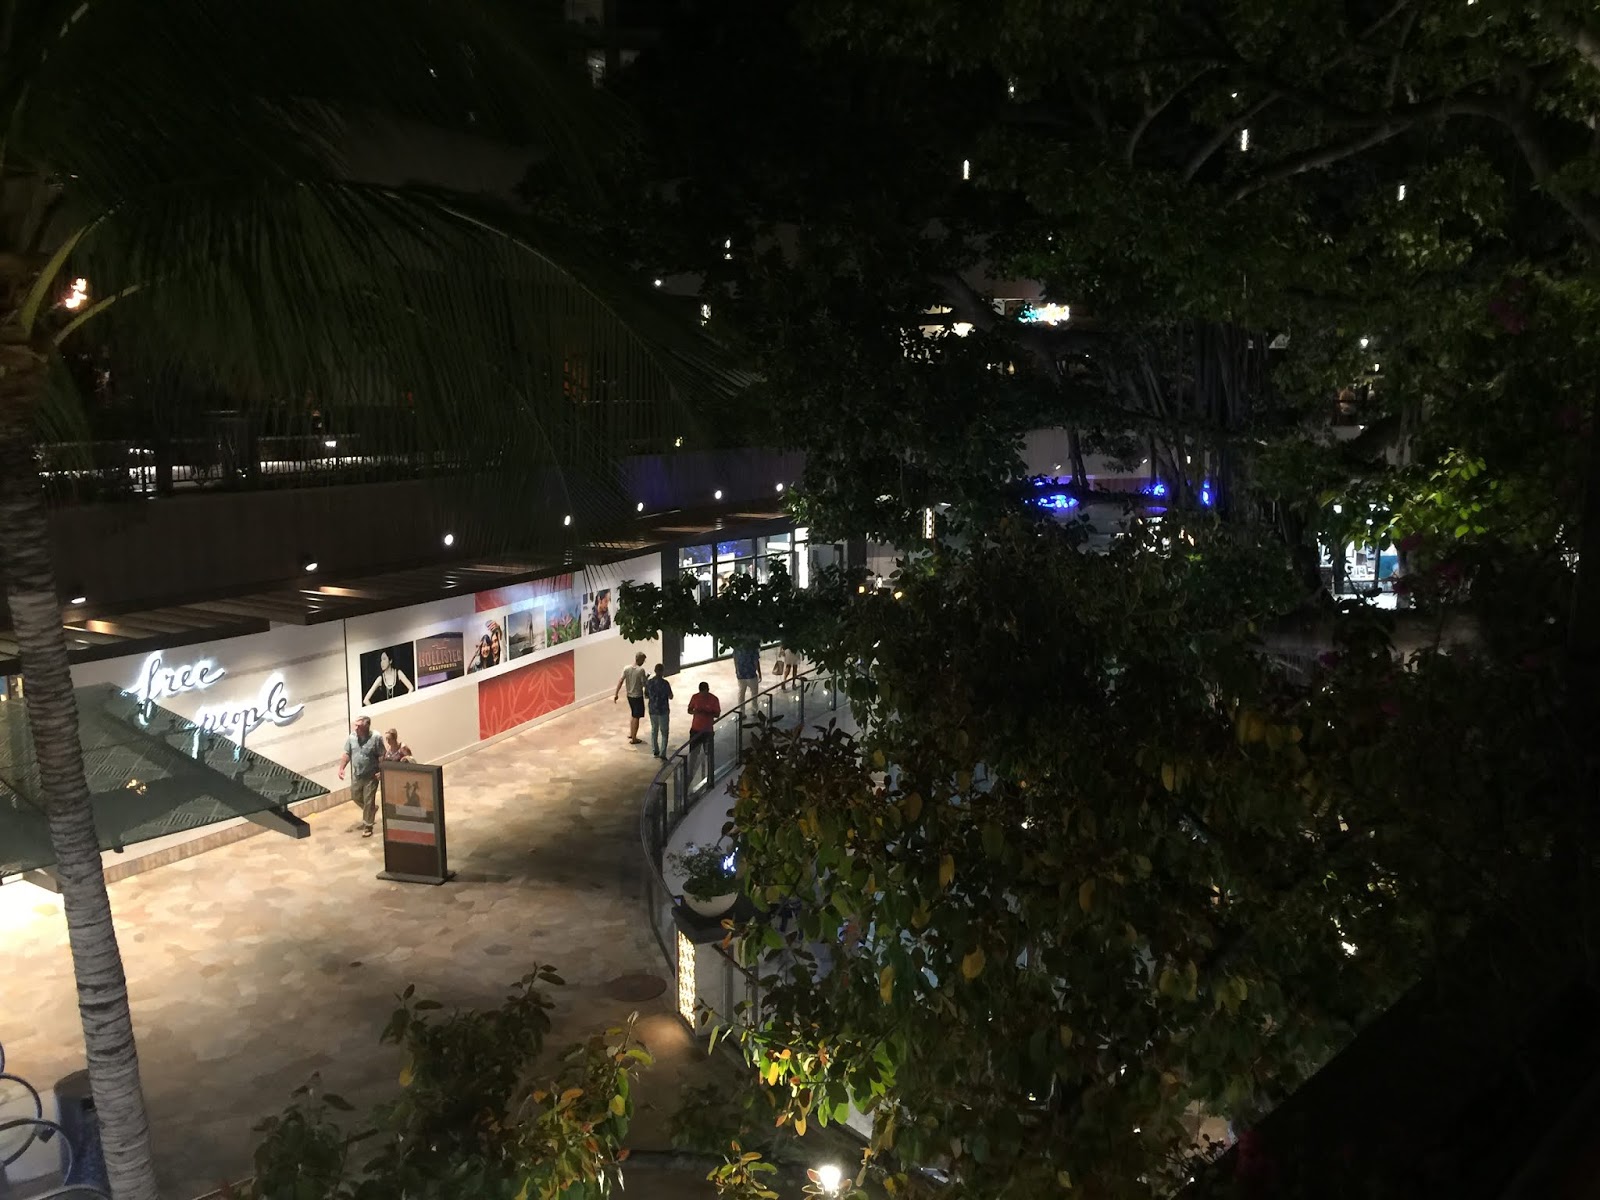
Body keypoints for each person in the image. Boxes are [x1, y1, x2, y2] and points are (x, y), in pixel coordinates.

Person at [337, 715, 384, 837]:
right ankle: (371, 810)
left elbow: (381, 755)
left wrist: (382, 771)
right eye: (355, 726)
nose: (356, 728)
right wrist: (341, 768)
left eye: (358, 726)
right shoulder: (352, 737)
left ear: (366, 726)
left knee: (368, 800)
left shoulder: (376, 738)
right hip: (357, 774)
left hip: (371, 776)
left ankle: (368, 825)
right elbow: (347, 753)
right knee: (355, 796)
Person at [687, 681, 722, 786]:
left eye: (705, 692)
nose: (703, 695)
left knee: (709, 753)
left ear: (708, 690)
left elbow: (717, 714)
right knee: (693, 754)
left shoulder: (714, 699)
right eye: (702, 692)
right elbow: (689, 710)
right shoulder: (695, 697)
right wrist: (696, 712)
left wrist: (706, 713)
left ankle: (710, 774)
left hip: (707, 731)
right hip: (695, 729)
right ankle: (690, 775)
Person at [613, 651, 649, 744]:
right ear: (640, 659)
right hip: (637, 696)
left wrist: (616, 693)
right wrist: (647, 678)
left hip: (629, 695)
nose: (643, 662)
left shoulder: (626, 668)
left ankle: (632, 733)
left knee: (633, 714)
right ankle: (634, 738)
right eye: (643, 660)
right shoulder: (641, 670)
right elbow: (644, 683)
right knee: (636, 716)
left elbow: (621, 681)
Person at [644, 663, 674, 758]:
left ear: (655, 671)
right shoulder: (665, 683)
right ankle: (663, 753)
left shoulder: (649, 682)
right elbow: (671, 696)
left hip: (653, 709)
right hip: (663, 710)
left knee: (654, 729)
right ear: (662, 671)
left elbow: (646, 695)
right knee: (664, 732)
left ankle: (655, 750)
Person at [732, 640, 762, 707]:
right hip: (751, 674)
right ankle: (754, 709)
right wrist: (759, 673)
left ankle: (741, 710)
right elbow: (756, 662)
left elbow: (735, 659)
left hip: (741, 674)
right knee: (754, 693)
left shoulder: (737, 647)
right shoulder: (753, 648)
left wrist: (737, 670)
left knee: (741, 693)